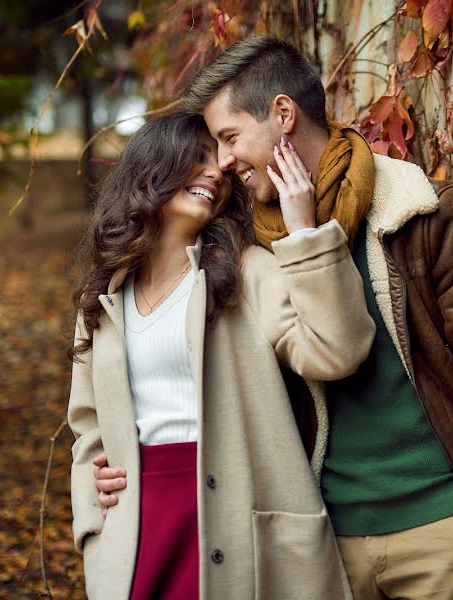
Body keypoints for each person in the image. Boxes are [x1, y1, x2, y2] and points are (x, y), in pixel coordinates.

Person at [95, 36, 453, 599]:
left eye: (230, 137)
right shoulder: (244, 248)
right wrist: (114, 460)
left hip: (441, 528)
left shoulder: (423, 213)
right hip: (324, 538)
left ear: (283, 114)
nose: (223, 160)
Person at [67, 111, 374, 600]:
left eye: (222, 167)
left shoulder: (247, 274)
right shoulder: (104, 297)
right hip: (136, 521)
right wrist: (91, 499)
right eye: (198, 158)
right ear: (154, 165)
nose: (215, 172)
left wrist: (304, 233)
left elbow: (337, 351)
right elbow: (87, 426)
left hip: (235, 511)